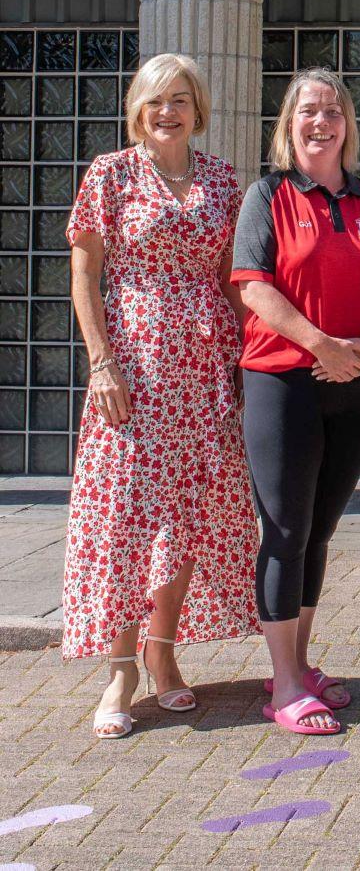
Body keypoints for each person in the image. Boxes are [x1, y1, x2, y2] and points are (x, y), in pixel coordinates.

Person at [64, 53, 258, 739]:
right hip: (134, 368)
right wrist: (101, 363)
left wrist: (247, 363)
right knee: (125, 515)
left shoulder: (221, 178)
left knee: (186, 514)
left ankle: (163, 656)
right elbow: (84, 275)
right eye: (154, 101)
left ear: (197, 107)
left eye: (179, 99)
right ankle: (121, 669)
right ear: (137, 110)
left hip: (204, 369)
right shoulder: (110, 174)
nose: (167, 112)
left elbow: (234, 278)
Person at [231, 70, 360, 735]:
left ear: (347, 124)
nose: (320, 123)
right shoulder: (266, 196)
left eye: (331, 112)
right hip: (283, 381)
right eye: (307, 112)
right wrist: (320, 343)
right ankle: (285, 684)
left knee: (320, 530)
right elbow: (253, 287)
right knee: (287, 530)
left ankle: (298, 662)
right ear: (288, 126)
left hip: (354, 382)